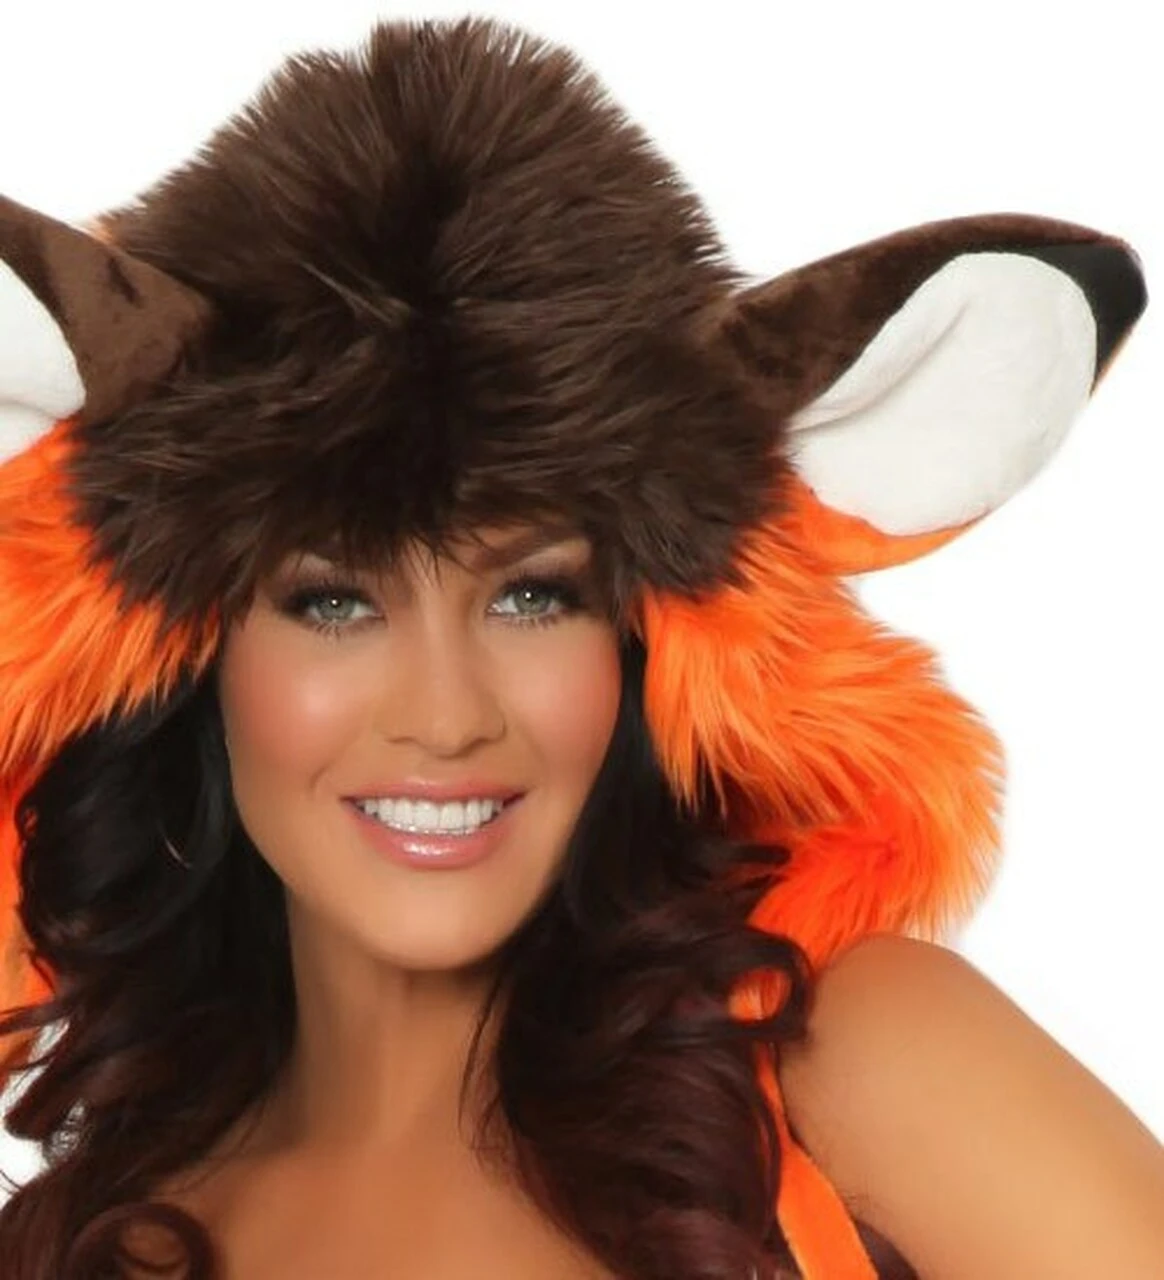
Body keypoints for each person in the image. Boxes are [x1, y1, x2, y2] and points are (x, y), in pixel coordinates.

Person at [0, 13, 1161, 1278]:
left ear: (644, 641)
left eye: (532, 597)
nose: (446, 713)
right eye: (333, 602)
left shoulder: (850, 1063)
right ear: (192, 653)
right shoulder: (81, 1241)